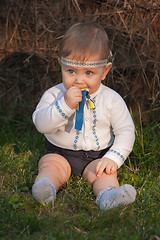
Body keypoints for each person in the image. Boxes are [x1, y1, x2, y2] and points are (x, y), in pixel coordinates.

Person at [32, 22, 137, 210]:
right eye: (71, 71)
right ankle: (45, 188)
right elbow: (41, 125)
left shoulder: (111, 99)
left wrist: (113, 158)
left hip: (97, 157)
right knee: (50, 166)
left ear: (104, 71)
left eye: (89, 72)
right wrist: (64, 105)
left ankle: (108, 196)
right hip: (59, 152)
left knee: (103, 175)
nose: (79, 80)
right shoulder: (54, 95)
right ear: (61, 66)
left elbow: (126, 131)